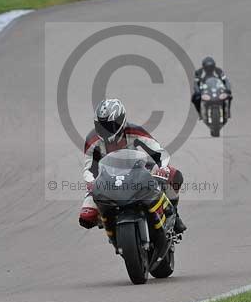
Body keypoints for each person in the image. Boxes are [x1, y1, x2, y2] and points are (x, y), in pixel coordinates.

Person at [79, 98, 187, 234]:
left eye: (110, 125)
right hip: (107, 177)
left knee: (174, 175)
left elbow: (160, 153)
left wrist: (162, 168)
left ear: (121, 121)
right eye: (101, 125)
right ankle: (110, 227)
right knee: (86, 217)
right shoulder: (92, 140)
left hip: (137, 171)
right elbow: (89, 168)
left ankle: (174, 215)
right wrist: (91, 182)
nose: (106, 130)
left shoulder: (134, 131)